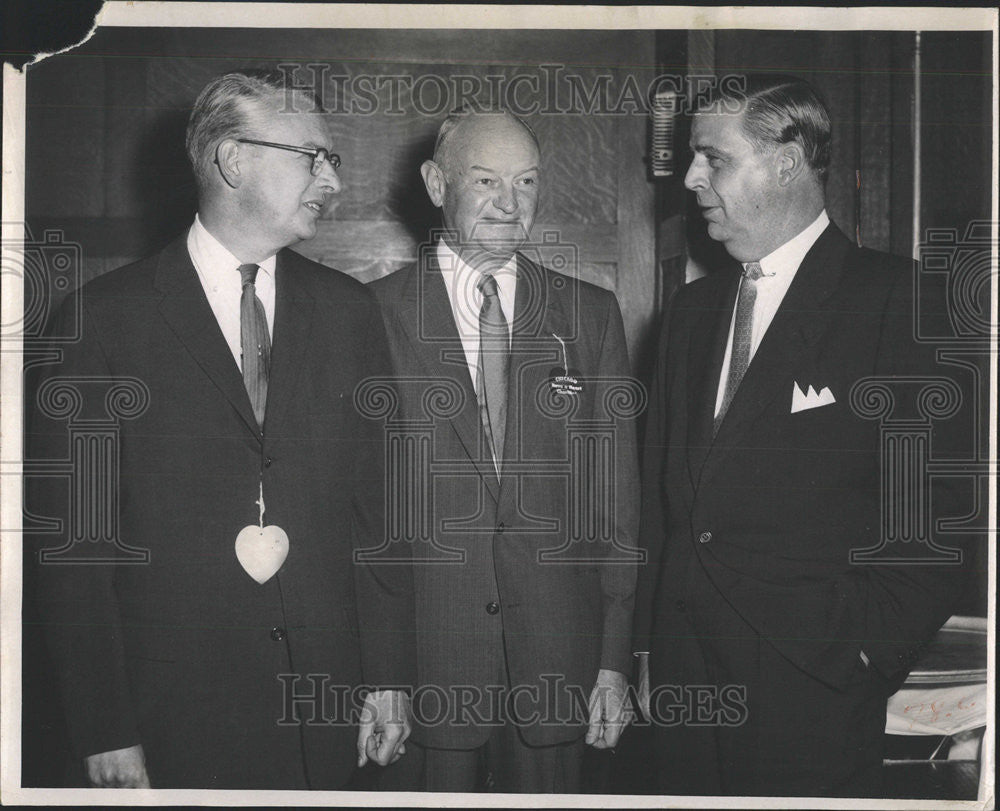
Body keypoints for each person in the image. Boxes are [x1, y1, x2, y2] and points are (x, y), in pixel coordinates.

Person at [25, 70, 412, 790]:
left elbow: (378, 512)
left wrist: (387, 676)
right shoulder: (102, 322)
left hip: (326, 716)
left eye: (332, 159)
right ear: (233, 160)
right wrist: (104, 726)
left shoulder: (349, 312)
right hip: (173, 720)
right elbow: (74, 555)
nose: (331, 179)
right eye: (313, 156)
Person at [633, 75, 974, 796]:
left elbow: (937, 517)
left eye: (711, 158)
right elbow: (661, 507)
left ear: (787, 161)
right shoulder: (690, 314)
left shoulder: (901, 301)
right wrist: (645, 647)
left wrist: (861, 652)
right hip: (683, 690)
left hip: (811, 686)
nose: (690, 178)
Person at [369, 107, 641, 793]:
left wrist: (612, 660)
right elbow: (353, 514)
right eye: (486, 181)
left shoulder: (588, 313)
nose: (509, 203)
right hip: (424, 668)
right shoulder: (367, 314)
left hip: (558, 662)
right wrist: (378, 676)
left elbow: (616, 504)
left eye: (526, 182)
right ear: (436, 184)